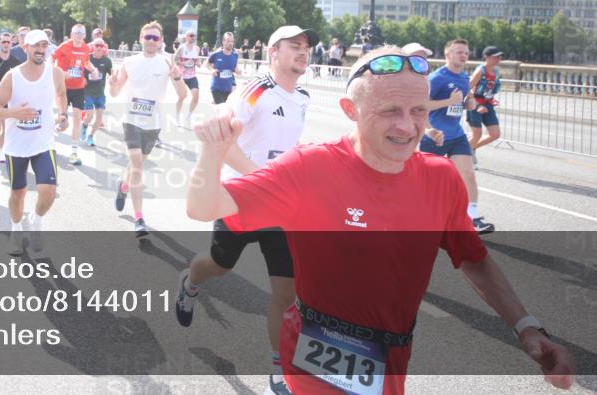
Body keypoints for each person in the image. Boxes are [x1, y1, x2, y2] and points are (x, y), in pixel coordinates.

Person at [187, 47, 575, 395]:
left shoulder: (441, 178)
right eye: (390, 111)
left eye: (419, 111)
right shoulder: (310, 167)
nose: (408, 127)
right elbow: (204, 207)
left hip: (392, 359)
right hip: (315, 353)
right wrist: (212, 152)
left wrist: (526, 326)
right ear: (350, 111)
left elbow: (472, 257)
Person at [176, 25, 318, 395]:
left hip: (281, 209)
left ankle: (278, 371)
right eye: (294, 46)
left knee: (287, 295)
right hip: (240, 197)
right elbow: (223, 139)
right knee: (219, 267)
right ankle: (189, 282)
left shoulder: (302, 96)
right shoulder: (254, 91)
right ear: (274, 52)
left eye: (306, 47)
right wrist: (264, 177)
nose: (303, 52)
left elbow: (283, 144)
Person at [0, 30, 69, 255]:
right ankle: (16, 229)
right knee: (18, 193)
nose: (40, 49)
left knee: (49, 190)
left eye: (44, 45)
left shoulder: (55, 74)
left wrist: (63, 115)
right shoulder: (13, 76)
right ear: (25, 48)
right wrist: (15, 113)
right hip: (16, 145)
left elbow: (61, 95)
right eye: (36, 45)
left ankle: (37, 220)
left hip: (43, 142)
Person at [108, 20, 188, 238]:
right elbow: (115, 94)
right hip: (131, 120)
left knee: (136, 166)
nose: (151, 41)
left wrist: (177, 76)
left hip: (153, 124)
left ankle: (124, 185)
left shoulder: (165, 63)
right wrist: (112, 84)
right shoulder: (130, 61)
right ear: (141, 39)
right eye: (148, 37)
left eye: (155, 38)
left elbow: (183, 95)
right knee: (137, 165)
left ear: (160, 41)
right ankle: (139, 218)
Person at [418, 39, 495, 234]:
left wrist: (469, 103)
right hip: (435, 136)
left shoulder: (464, 77)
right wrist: (449, 101)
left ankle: (473, 217)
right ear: (448, 55)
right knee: (430, 183)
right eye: (459, 52)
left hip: (457, 135)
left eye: (466, 53)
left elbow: (466, 99)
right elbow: (422, 106)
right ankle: (425, 218)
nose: (463, 56)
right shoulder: (436, 78)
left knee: (468, 174)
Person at [51, 23, 92, 165]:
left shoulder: (86, 48)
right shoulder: (64, 46)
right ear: (72, 34)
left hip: (79, 88)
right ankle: (48, 130)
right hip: (63, 87)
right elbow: (51, 59)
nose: (79, 36)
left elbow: (86, 62)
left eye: (82, 33)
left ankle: (74, 152)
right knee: (62, 117)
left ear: (85, 35)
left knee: (77, 118)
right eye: (77, 33)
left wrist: (93, 70)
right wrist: (59, 72)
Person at [0, 32, 23, 163]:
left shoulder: (16, 62)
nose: (6, 44)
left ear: (12, 44)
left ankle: (0, 151)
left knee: (6, 128)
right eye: (4, 42)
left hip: (9, 98)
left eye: (8, 42)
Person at [468, 45, 503, 152]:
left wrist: (491, 99)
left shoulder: (496, 71)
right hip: (475, 105)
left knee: (495, 134)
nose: (498, 59)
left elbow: (490, 88)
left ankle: (469, 150)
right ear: (486, 57)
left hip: (488, 105)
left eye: (499, 57)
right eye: (495, 57)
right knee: (476, 135)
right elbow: (467, 89)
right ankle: (461, 155)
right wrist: (478, 105)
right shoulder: (480, 71)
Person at [81, 37, 112, 147]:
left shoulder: (107, 60)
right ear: (92, 47)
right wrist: (83, 79)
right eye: (97, 45)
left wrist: (114, 78)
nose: (99, 48)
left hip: (100, 93)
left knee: (99, 119)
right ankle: (84, 125)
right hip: (87, 92)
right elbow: (80, 71)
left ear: (104, 48)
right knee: (89, 115)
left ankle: (90, 136)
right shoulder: (87, 58)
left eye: (101, 46)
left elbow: (111, 74)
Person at [173, 30, 201, 126]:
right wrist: (183, 63)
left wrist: (198, 63)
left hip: (192, 77)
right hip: (182, 77)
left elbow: (196, 60)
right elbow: (175, 60)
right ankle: (177, 117)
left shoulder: (197, 49)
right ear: (186, 37)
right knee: (181, 97)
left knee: (196, 98)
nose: (193, 37)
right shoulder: (182, 48)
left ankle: (189, 116)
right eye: (191, 35)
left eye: (194, 36)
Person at [207, 31, 240, 105]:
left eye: (232, 41)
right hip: (217, 88)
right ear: (223, 42)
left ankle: (212, 109)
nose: (230, 43)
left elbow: (235, 67)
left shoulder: (235, 55)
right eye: (228, 41)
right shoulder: (217, 54)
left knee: (222, 109)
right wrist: (212, 70)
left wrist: (238, 70)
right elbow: (207, 64)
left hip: (228, 88)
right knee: (223, 108)